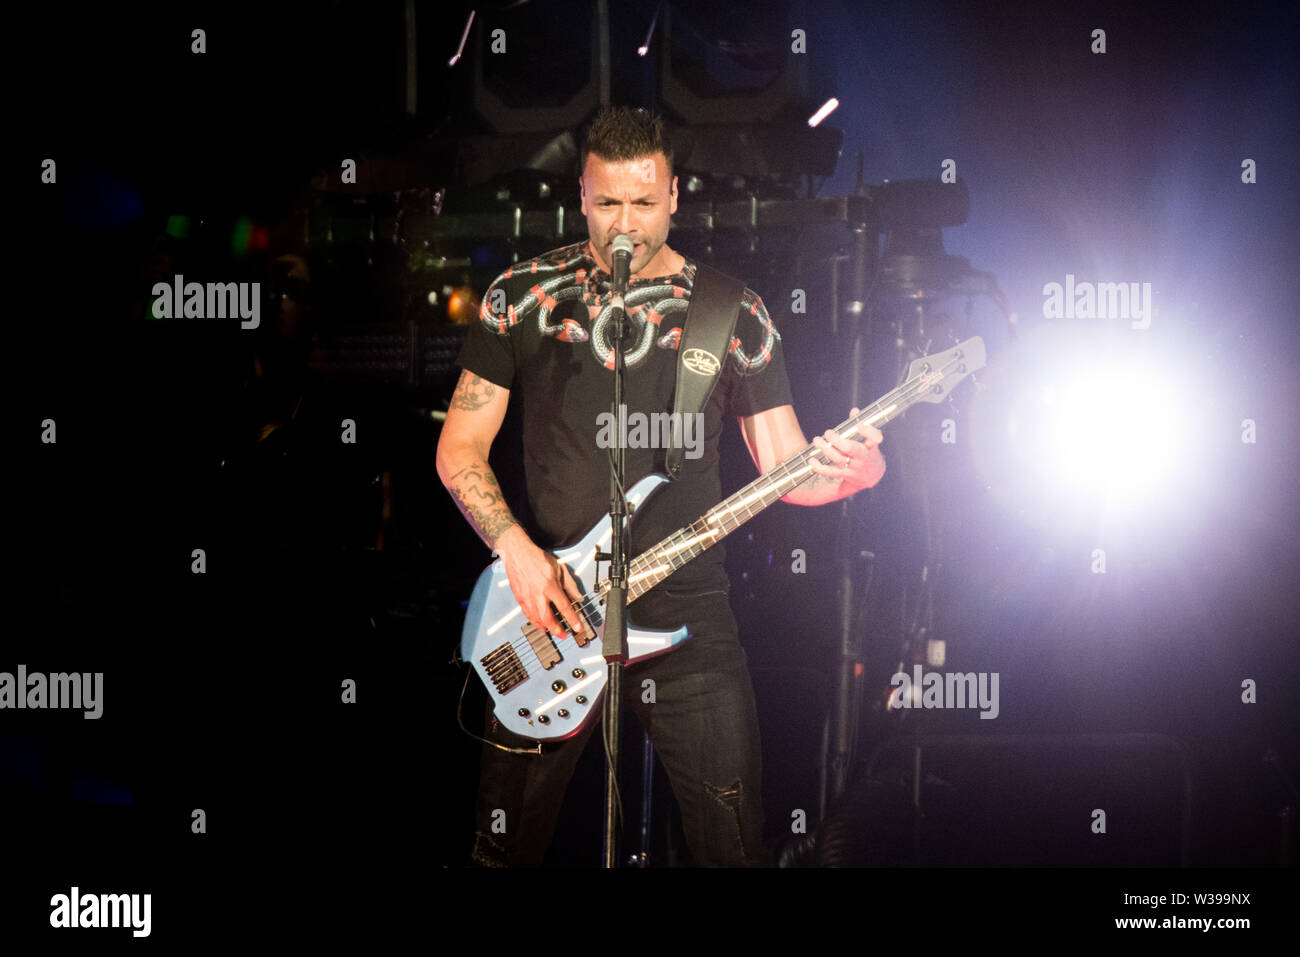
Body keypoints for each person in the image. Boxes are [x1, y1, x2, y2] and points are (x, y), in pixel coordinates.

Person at [436, 106, 885, 866]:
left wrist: (860, 473)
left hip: (689, 616)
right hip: (552, 612)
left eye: (644, 203)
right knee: (502, 849)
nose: (624, 223)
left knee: (730, 844)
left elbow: (791, 470)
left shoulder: (730, 311)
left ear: (675, 194)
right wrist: (515, 548)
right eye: (607, 201)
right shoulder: (524, 295)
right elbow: (459, 448)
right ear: (580, 193)